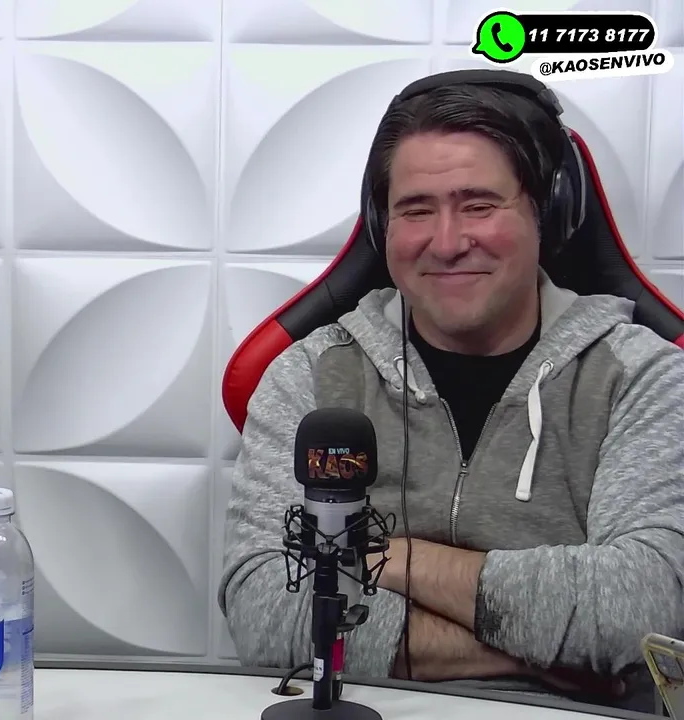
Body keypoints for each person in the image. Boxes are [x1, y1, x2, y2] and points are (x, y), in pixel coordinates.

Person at [218, 69, 684, 712]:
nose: (447, 242)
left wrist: (390, 557)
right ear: (383, 226)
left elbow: (648, 608)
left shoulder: (641, 376)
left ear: (547, 214)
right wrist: (546, 655)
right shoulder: (311, 376)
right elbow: (266, 613)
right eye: (416, 210)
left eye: (479, 205)